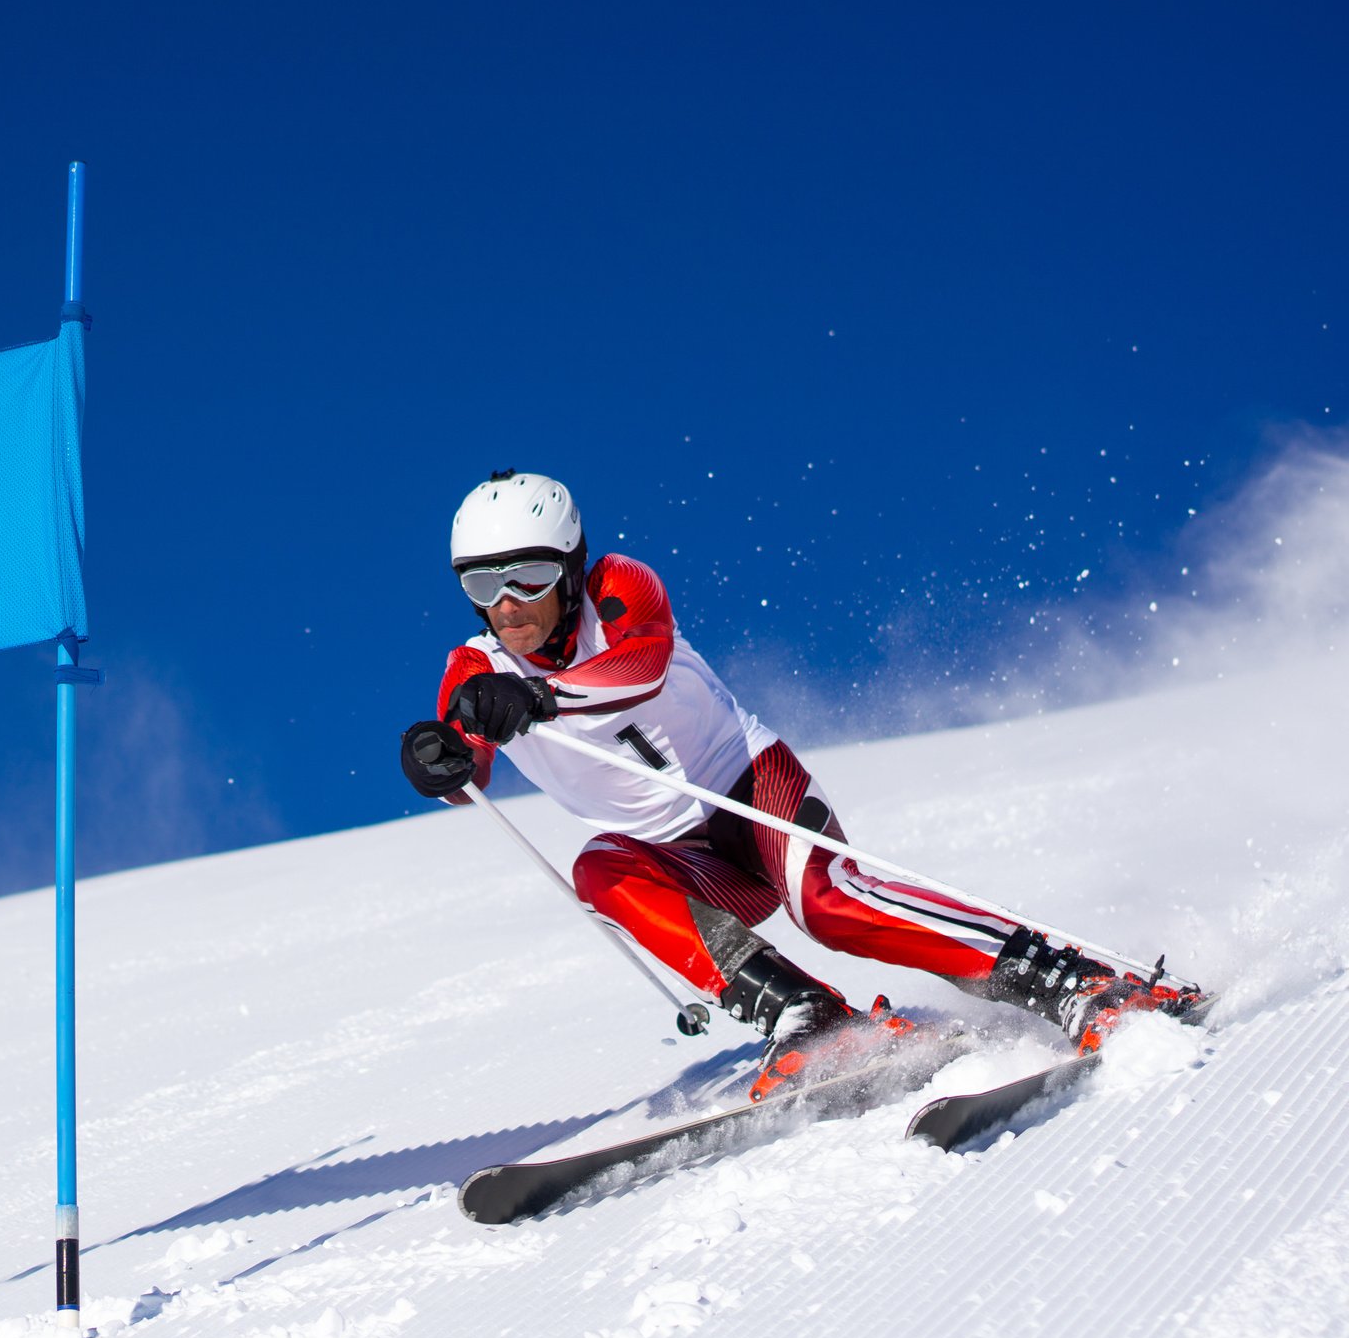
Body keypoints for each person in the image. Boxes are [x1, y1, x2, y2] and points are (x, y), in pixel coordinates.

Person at [399, 470, 1204, 1098]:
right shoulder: (475, 670)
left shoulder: (619, 584)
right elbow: (464, 769)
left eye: (529, 577)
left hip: (746, 788)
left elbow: (640, 665)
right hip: (679, 855)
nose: (507, 605)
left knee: (832, 903)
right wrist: (438, 759)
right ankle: (809, 1018)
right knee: (599, 869)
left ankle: (1075, 983)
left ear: (570, 569)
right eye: (482, 586)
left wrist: (539, 697)